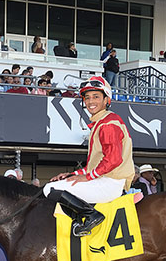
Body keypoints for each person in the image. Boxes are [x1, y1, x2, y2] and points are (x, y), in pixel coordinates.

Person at [44, 76, 135, 236]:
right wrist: (74, 174)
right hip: (106, 179)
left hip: (110, 182)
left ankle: (90, 216)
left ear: (107, 99)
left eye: (96, 97)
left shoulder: (108, 124)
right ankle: (80, 220)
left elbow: (113, 160)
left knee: (50, 189)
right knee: (62, 183)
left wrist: (86, 177)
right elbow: (96, 164)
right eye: (87, 97)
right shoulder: (103, 122)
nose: (90, 101)